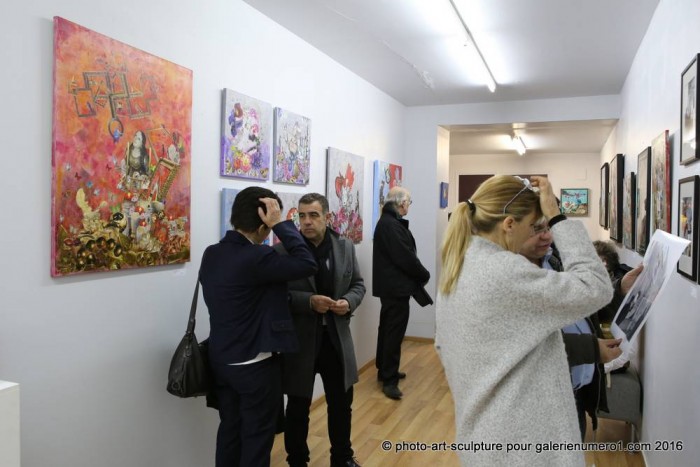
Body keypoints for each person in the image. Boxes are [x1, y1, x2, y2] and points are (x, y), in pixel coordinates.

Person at [436, 175, 613, 466]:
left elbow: (443, 346)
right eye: (533, 226)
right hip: (522, 444)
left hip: (487, 433)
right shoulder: (503, 271)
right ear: (509, 224)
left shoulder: (461, 264)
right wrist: (556, 216)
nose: (541, 234)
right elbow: (595, 286)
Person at [199, 187, 317, 467]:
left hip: (221, 360)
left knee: (230, 432)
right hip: (254, 365)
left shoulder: (212, 253)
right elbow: (306, 262)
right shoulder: (258, 257)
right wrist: (281, 225)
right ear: (264, 222)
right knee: (256, 439)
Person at [518, 225, 644, 439]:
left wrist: (620, 289)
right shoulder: (513, 276)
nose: (548, 235)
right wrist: (593, 349)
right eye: (537, 228)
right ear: (511, 225)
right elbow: (530, 343)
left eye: (549, 227)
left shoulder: (553, 261)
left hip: (572, 396)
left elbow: (584, 306)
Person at [274, 193, 365, 467]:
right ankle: (297, 461)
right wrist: (309, 302)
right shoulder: (283, 252)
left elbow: (358, 284)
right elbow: (275, 296)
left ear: (327, 217)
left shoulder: (344, 246)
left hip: (336, 338)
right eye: (301, 216)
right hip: (300, 341)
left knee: (341, 404)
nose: (306, 221)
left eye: (313, 215)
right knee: (298, 407)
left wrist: (348, 302)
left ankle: (342, 458)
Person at [372, 186, 430, 400]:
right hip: (395, 288)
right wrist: (424, 274)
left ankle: (385, 370)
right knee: (393, 333)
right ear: (401, 203)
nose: (409, 206)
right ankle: (389, 380)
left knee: (387, 330)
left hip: (391, 287)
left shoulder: (387, 222)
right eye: (408, 202)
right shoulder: (390, 225)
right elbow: (405, 257)